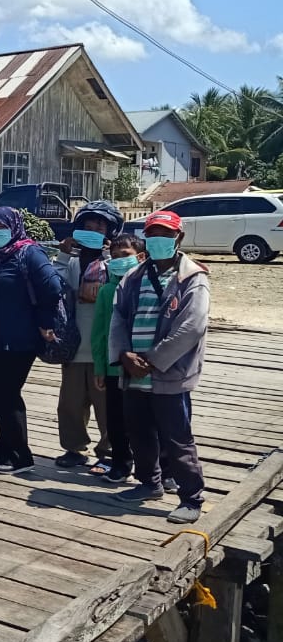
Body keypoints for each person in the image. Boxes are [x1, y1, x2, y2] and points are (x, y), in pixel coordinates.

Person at [109, 210, 209, 524]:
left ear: (178, 238)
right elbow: (118, 318)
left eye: (166, 235)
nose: (158, 241)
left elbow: (192, 326)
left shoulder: (193, 277)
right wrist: (124, 354)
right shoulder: (133, 275)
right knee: (138, 431)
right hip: (134, 370)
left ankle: (191, 497)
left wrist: (152, 360)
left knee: (177, 437)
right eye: (153, 235)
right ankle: (148, 483)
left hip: (168, 372)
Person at [0, 207, 61, 474]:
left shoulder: (30, 253)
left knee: (8, 396)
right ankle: (4, 445)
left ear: (14, 226)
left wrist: (45, 322)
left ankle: (21, 456)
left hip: (19, 339)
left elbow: (53, 288)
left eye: (1, 226)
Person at [52, 201, 123, 469]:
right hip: (74, 345)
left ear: (111, 232)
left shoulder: (116, 263)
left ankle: (109, 452)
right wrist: (61, 255)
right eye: (87, 227)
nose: (93, 231)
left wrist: (108, 257)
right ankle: (73, 447)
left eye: (100, 227)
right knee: (70, 403)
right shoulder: (71, 262)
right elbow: (55, 287)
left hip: (104, 347)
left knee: (106, 405)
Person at [91, 234, 145, 482]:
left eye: (125, 256)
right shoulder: (106, 291)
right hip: (114, 369)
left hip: (144, 367)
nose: (119, 261)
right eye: (114, 257)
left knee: (148, 420)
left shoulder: (148, 286)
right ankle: (121, 464)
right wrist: (100, 367)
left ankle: (159, 469)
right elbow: (99, 332)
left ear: (140, 257)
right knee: (115, 420)